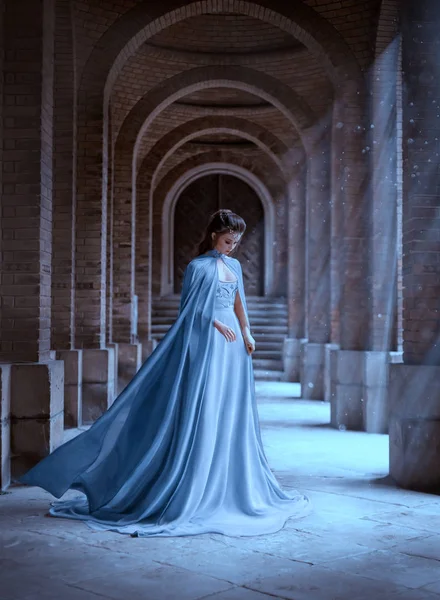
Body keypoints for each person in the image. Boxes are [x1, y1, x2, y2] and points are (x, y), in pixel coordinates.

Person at [20, 209, 310, 537]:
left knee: (231, 408)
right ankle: (193, 478)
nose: (232, 247)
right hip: (207, 341)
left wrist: (247, 331)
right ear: (215, 235)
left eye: (236, 243)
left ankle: (228, 478)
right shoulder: (197, 267)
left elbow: (238, 302)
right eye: (228, 240)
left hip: (234, 348)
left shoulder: (236, 266)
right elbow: (189, 311)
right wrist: (213, 322)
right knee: (204, 404)